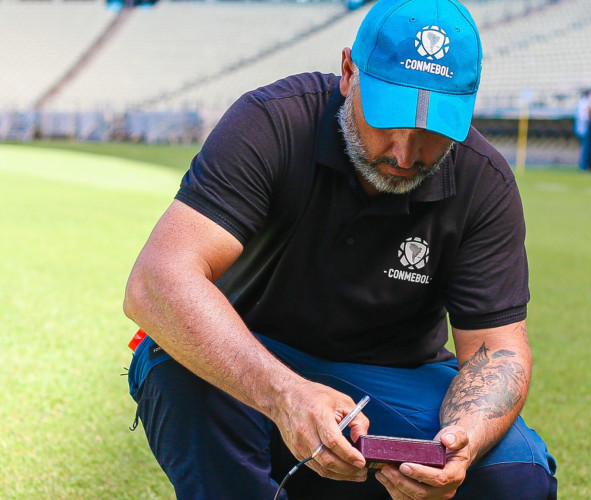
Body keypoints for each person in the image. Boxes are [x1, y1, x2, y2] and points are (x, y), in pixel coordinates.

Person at [123, 0, 557, 499]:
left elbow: (497, 350)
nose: (403, 152)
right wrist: (285, 394)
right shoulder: (272, 122)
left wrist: (464, 441)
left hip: (393, 376)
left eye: (433, 132)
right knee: (179, 364)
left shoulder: (484, 179)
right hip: (253, 352)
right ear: (349, 72)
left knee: (518, 472)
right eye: (386, 118)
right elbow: (156, 281)